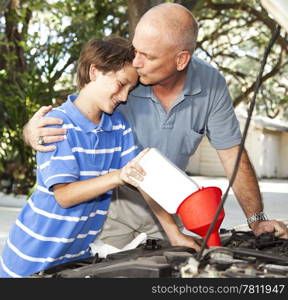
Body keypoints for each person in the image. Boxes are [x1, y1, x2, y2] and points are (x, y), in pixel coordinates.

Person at [22, 3, 288, 252]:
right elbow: (78, 110)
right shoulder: (125, 77)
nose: (135, 62)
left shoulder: (210, 84)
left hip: (167, 210)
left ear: (181, 60)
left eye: (146, 56)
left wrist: (256, 220)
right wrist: (30, 132)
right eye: (135, 50)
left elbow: (232, 154)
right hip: (112, 210)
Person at [0, 36, 153, 278]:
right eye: (121, 84)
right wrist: (118, 176)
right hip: (30, 260)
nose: (124, 97)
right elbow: (65, 195)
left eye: (130, 90)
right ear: (94, 72)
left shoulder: (118, 126)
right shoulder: (56, 125)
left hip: (75, 259)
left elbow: (140, 178)